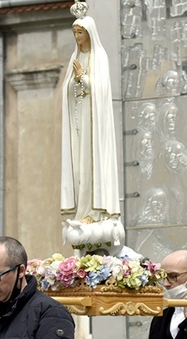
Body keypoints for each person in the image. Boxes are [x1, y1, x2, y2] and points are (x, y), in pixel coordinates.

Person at [60, 11, 120, 223]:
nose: (77, 37)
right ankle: (82, 210)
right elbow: (67, 88)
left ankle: (95, 213)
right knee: (80, 167)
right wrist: (75, 81)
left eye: (80, 32)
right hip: (79, 121)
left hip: (94, 123)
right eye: (75, 32)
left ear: (89, 33)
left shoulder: (99, 57)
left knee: (92, 164)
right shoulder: (74, 58)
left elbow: (101, 90)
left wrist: (82, 78)